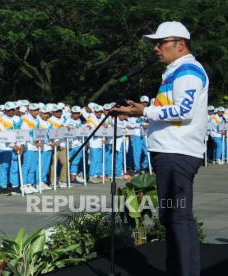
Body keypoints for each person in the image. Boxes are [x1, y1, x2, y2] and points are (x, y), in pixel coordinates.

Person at [113, 21, 208, 276]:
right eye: (155, 44)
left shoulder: (187, 71)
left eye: (161, 43)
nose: (156, 48)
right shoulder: (174, 71)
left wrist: (145, 110)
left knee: (177, 217)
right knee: (173, 216)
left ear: (180, 45)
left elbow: (184, 111)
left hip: (177, 152)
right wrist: (137, 112)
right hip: (170, 151)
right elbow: (169, 109)